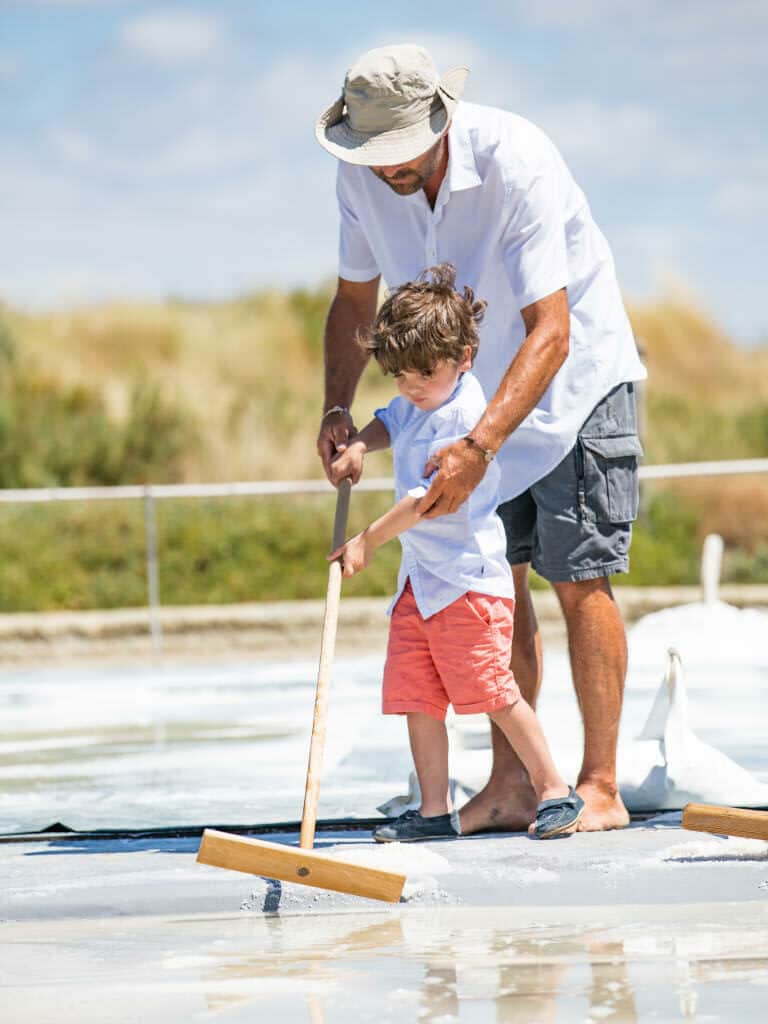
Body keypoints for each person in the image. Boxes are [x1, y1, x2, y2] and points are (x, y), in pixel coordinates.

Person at [315, 44, 647, 834]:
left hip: (569, 384)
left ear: (438, 120)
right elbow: (353, 303)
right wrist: (337, 409)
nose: (388, 167)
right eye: (374, 152)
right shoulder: (358, 175)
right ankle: (513, 786)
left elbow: (552, 330)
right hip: (455, 394)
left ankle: (599, 786)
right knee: (499, 586)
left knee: (579, 575)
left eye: (400, 150)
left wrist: (479, 448)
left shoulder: (515, 159)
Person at [328, 264, 584, 842]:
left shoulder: (464, 416)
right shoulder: (419, 400)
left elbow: (425, 502)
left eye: (424, 373)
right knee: (416, 694)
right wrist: (360, 447)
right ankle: (434, 808)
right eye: (399, 375)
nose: (412, 386)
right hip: (421, 581)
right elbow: (390, 420)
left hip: (468, 584)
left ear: (464, 357)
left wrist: (366, 539)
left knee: (491, 689)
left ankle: (553, 790)